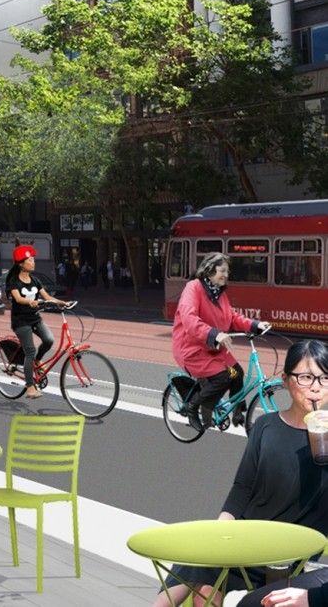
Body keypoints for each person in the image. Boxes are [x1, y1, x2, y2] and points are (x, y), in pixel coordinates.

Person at [151, 339, 328, 607]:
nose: (316, 387)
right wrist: (222, 527)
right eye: (305, 377)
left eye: (324, 378)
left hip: (289, 548)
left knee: (204, 575)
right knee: (204, 577)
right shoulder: (265, 426)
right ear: (286, 380)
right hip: (247, 534)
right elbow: (242, 487)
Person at [173, 252, 271, 432]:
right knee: (222, 377)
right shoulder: (193, 288)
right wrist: (214, 334)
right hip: (192, 349)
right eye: (222, 270)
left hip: (213, 349)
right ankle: (193, 407)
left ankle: (237, 412)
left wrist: (255, 325)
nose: (226, 275)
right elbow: (188, 318)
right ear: (210, 270)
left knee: (237, 373)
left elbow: (231, 317)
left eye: (227, 271)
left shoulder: (219, 294)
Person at [6, 245, 70, 400]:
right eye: (30, 260)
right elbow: (18, 298)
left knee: (49, 340)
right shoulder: (15, 281)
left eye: (33, 260)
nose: (33, 262)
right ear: (21, 263)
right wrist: (30, 302)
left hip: (35, 318)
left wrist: (63, 302)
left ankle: (38, 360)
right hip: (21, 321)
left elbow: (47, 297)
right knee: (30, 351)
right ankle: (30, 387)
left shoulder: (35, 280)